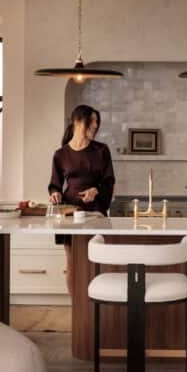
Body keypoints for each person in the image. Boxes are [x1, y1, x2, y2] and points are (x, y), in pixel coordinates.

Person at [48, 104, 116, 291]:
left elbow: (109, 181)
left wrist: (96, 191)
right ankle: (76, 308)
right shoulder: (60, 155)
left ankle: (94, 305)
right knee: (72, 264)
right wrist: (54, 193)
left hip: (95, 212)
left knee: (96, 262)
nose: (95, 125)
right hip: (70, 214)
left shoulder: (102, 151)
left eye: (96, 122)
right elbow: (55, 184)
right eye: (91, 121)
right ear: (77, 122)